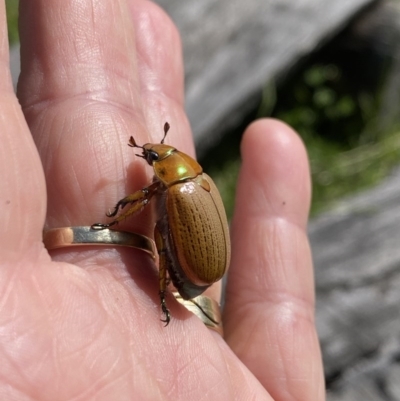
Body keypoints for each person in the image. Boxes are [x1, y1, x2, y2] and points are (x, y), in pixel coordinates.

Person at [0, 0, 325, 399]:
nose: (150, 159)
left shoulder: (177, 190)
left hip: (195, 263)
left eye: (154, 157)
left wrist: (118, 216)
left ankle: (158, 291)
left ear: (169, 168)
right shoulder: (193, 181)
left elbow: (151, 212)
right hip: (207, 266)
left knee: (159, 234)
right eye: (153, 156)